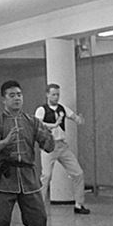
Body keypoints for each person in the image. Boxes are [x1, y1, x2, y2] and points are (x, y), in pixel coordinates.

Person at [0, 80, 55, 226]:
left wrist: (49, 135)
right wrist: (6, 141)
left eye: (19, 95)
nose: (16, 98)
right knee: (0, 219)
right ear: (3, 99)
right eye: (12, 95)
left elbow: (48, 146)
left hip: (28, 176)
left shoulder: (31, 121)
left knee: (39, 216)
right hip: (5, 176)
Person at [35, 83, 90, 214]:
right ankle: (38, 207)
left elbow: (74, 117)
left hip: (62, 146)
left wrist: (79, 119)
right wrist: (53, 125)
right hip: (48, 146)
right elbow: (37, 124)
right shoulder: (41, 110)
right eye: (53, 94)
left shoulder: (62, 108)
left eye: (58, 94)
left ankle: (79, 204)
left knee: (78, 173)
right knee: (46, 176)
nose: (56, 97)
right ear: (47, 95)